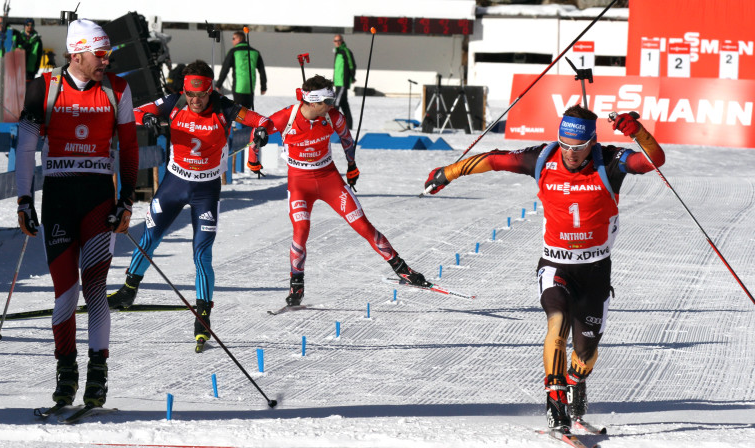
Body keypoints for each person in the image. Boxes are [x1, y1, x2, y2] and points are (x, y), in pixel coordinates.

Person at [424, 106, 665, 432]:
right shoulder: (543, 157)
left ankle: (575, 381)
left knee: (585, 353)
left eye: (577, 148)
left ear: (591, 142)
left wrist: (636, 131)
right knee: (557, 323)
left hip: (595, 272)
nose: (569, 153)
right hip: (555, 265)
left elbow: (653, 160)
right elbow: (496, 159)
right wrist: (449, 172)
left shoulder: (609, 161)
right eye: (564, 144)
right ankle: (556, 402)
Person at [107, 60, 274, 352]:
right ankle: (128, 290)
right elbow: (134, 112)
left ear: (211, 89)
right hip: (174, 184)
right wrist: (146, 117)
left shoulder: (225, 107)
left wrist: (262, 132)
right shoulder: (174, 101)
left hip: (205, 190)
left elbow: (263, 121)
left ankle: (203, 314)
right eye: (191, 95)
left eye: (202, 95)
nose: (196, 101)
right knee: (149, 237)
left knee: (201, 253)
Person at [15, 19, 139, 409]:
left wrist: (127, 200)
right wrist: (23, 200)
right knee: (65, 292)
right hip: (58, 197)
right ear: (77, 53)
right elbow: (24, 149)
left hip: (99, 198)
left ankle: (98, 375)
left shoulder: (117, 88)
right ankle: (66, 373)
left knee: (96, 287)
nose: (106, 61)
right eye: (100, 55)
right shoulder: (44, 88)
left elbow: (131, 147)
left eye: (108, 54)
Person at [248, 75, 430, 307]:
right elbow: (257, 133)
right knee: (301, 230)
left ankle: (402, 269)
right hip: (299, 184)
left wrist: (352, 166)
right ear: (312, 102)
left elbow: (346, 139)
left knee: (363, 225)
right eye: (327, 101)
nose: (332, 106)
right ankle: (297, 286)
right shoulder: (287, 117)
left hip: (329, 180)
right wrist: (254, 160)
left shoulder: (333, 117)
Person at [214, 31, 266, 110]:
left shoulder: (233, 51)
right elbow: (262, 71)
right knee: (248, 111)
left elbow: (225, 69)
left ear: (239, 39)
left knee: (238, 111)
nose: (232, 41)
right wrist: (263, 87)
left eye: (233, 38)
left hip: (238, 86)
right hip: (250, 87)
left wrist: (219, 84)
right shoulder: (255, 52)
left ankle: (240, 123)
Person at [332, 34, 356, 129]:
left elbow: (351, 65)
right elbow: (337, 68)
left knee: (336, 103)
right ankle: (349, 125)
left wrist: (352, 77)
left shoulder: (346, 51)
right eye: (335, 41)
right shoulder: (337, 52)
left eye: (339, 40)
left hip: (343, 82)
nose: (337, 42)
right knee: (344, 104)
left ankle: (332, 125)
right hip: (337, 82)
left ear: (342, 41)